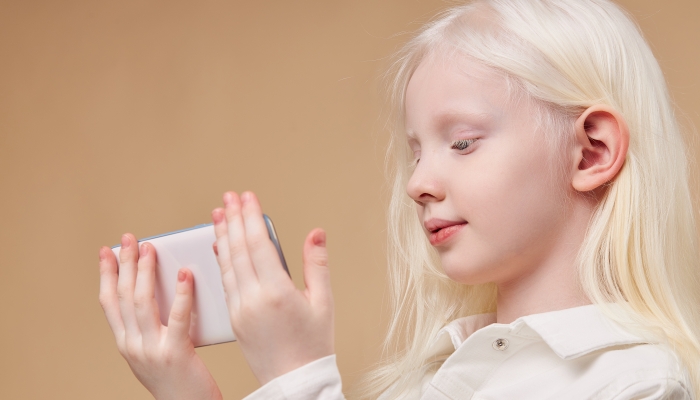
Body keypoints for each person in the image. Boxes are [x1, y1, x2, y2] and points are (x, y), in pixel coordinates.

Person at [98, 0, 700, 398]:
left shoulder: (638, 383)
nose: (418, 183)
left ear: (592, 151)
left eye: (462, 142)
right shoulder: (430, 382)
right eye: (416, 152)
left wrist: (294, 375)